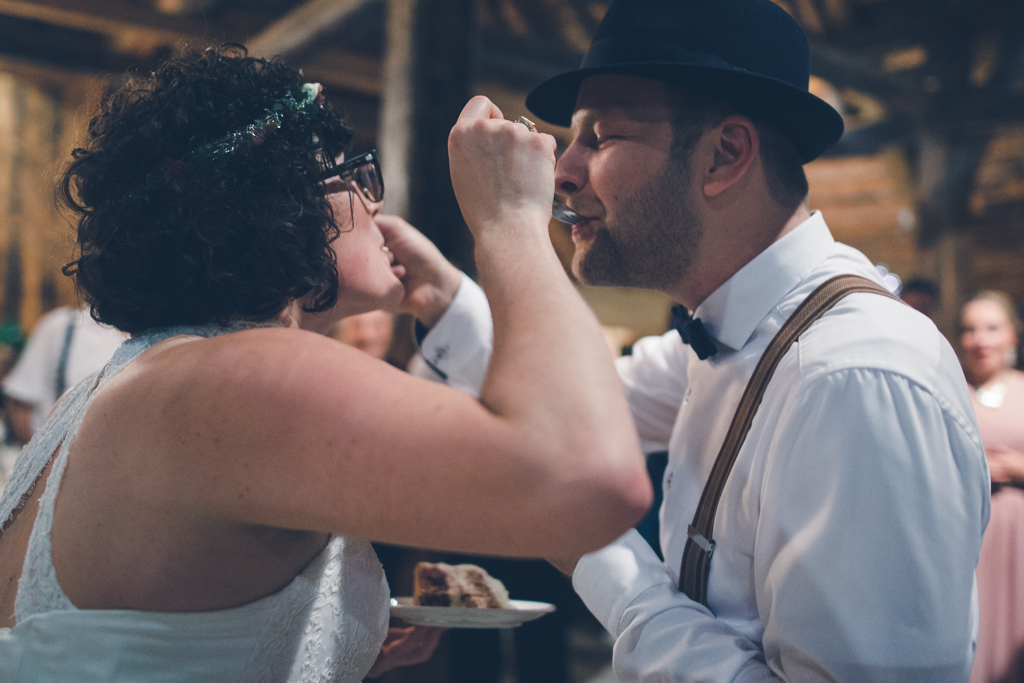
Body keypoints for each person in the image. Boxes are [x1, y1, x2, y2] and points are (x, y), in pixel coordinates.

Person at [0, 47, 652, 681]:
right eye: (357, 174)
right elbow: (591, 480)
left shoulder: (120, 387)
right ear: (283, 205)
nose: (376, 205)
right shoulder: (237, 377)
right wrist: (511, 220)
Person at [402, 0, 990, 679]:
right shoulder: (719, 336)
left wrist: (590, 543)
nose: (562, 172)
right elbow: (570, 407)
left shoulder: (855, 376)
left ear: (725, 154)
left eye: (599, 136)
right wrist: (445, 299)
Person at [962, 292, 1024, 683]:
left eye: (991, 328)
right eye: (969, 329)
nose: (980, 340)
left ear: (1013, 337)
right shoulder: (952, 390)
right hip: (969, 531)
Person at [2, 305, 128, 444]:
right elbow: (22, 403)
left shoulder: (151, 337)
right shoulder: (63, 326)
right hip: (62, 457)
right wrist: (44, 460)